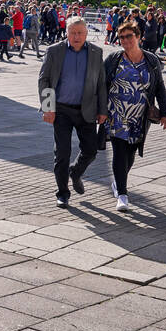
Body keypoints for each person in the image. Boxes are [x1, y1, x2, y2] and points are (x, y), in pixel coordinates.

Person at [37, 16, 107, 207]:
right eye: (73, 33)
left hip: (87, 110)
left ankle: (75, 172)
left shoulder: (95, 52)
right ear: (66, 32)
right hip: (61, 110)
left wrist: (103, 110)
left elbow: (101, 83)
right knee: (62, 153)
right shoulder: (54, 51)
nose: (76, 36)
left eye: (80, 33)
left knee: (91, 150)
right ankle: (62, 192)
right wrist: (48, 108)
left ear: (86, 33)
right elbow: (44, 80)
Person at [103, 21, 166, 212]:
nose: (125, 40)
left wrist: (165, 113)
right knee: (119, 151)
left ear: (139, 37)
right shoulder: (114, 58)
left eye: (129, 36)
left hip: (139, 115)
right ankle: (123, 195)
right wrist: (99, 110)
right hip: (116, 113)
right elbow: (100, 84)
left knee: (131, 153)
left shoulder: (151, 60)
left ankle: (119, 181)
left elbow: (159, 87)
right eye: (122, 37)